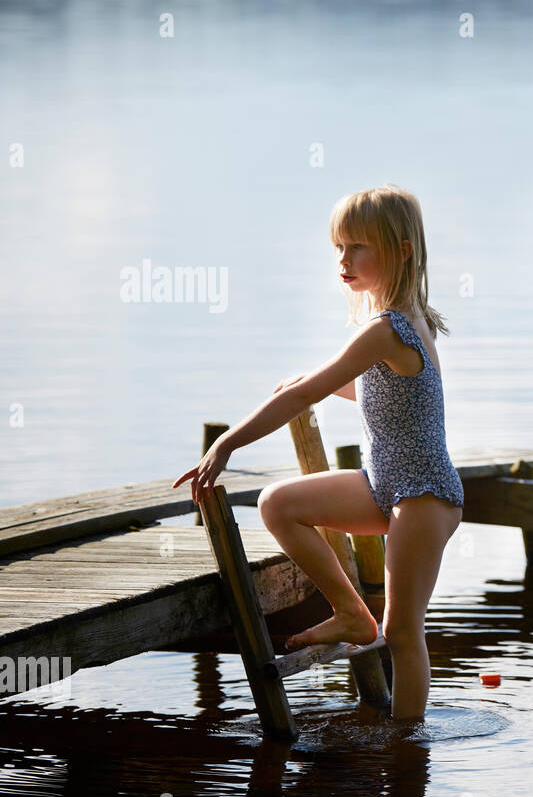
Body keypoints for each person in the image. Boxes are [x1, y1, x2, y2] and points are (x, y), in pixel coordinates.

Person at [173, 184, 464, 721]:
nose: (343, 260)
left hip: (422, 495)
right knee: (278, 503)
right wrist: (318, 381)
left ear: (401, 250)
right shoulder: (402, 321)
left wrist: (228, 442)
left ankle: (407, 748)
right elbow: (377, 388)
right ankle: (352, 613)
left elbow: (306, 394)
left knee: (403, 630)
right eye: (338, 247)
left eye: (358, 247)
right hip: (384, 485)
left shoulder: (391, 327)